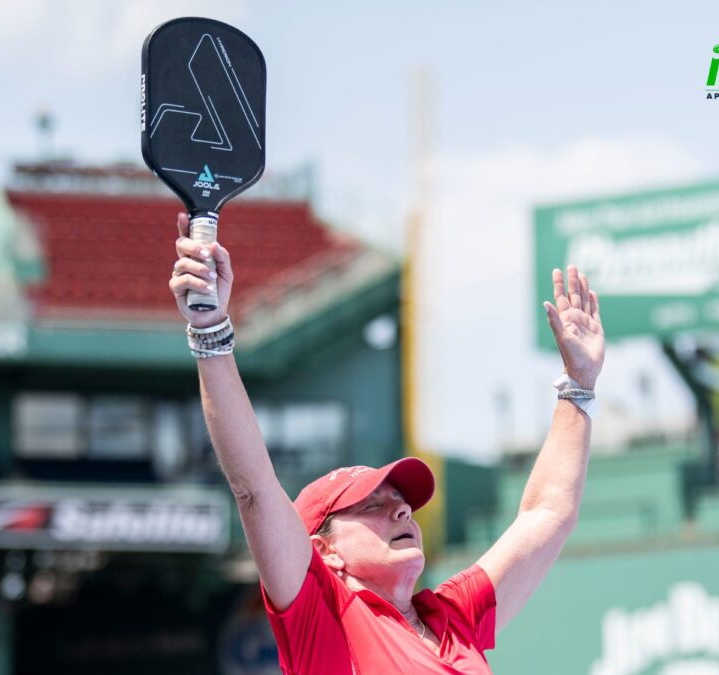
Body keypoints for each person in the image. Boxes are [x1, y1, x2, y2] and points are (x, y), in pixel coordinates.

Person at [169, 212, 605, 673]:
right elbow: (253, 486)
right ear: (323, 551)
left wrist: (579, 384)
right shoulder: (323, 616)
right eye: (371, 505)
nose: (401, 510)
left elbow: (548, 514)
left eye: (400, 500)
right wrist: (209, 328)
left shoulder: (453, 615)